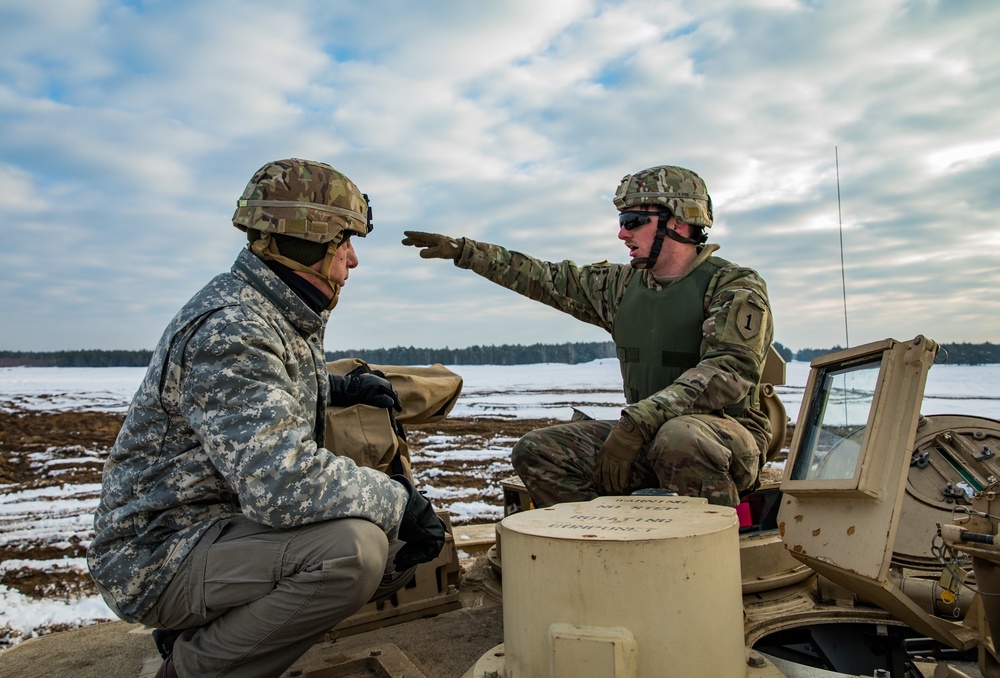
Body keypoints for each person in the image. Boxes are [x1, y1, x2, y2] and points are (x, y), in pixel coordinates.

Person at [88, 158, 446, 678]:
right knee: (355, 550)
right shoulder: (233, 328)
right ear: (309, 239)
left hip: (207, 527)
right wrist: (401, 503)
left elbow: (265, 392)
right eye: (345, 241)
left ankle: (207, 629)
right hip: (157, 556)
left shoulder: (270, 309)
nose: (353, 259)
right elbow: (282, 483)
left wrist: (337, 386)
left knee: (372, 532)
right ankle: (191, 669)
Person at [402, 165, 773, 508]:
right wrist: (467, 252)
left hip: (725, 439)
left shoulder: (732, 285)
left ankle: (713, 560)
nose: (621, 233)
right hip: (646, 434)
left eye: (633, 220)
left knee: (679, 438)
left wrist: (638, 423)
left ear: (678, 221)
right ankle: (598, 547)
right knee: (538, 450)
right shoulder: (621, 287)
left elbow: (729, 369)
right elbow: (544, 277)